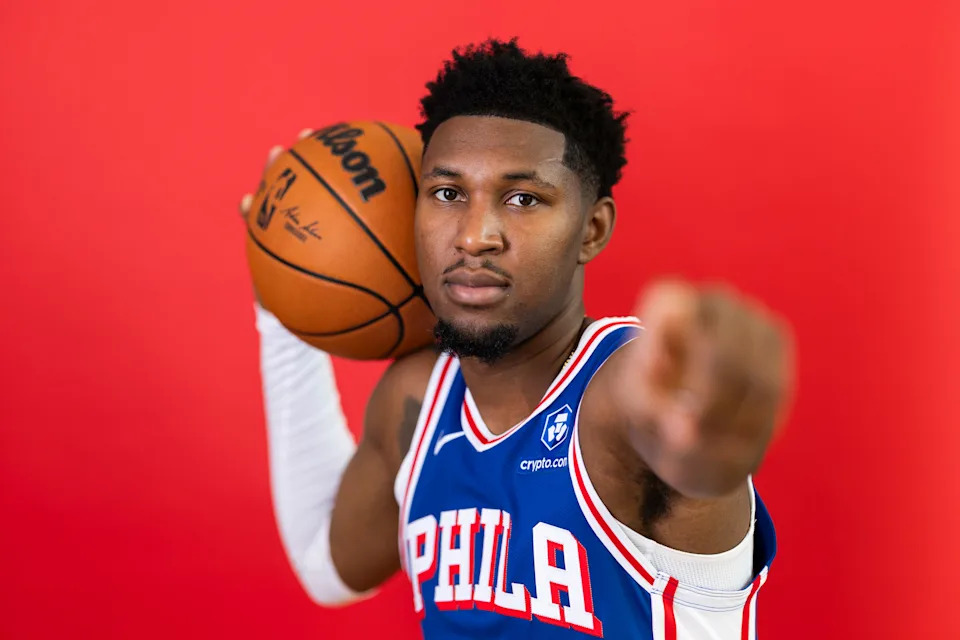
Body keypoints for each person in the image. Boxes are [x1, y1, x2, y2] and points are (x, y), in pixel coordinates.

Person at [242, 39, 792, 639]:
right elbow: (327, 567)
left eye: (523, 198)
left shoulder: (615, 396)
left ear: (592, 229)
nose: (475, 235)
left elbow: (680, 449)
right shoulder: (419, 400)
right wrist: (287, 306)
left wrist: (707, 429)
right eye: (448, 193)